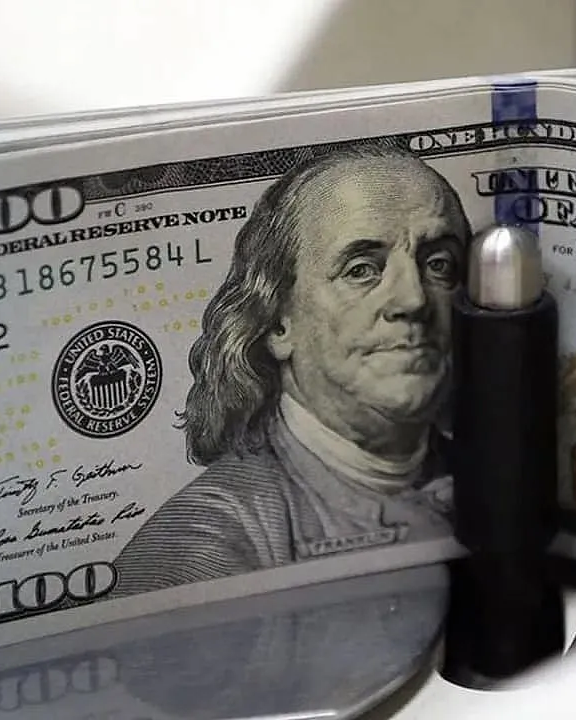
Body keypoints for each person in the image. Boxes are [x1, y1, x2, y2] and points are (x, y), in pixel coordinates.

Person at [110, 144, 472, 597]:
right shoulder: (201, 546)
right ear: (278, 321)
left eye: (439, 265)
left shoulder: (492, 478)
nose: (414, 299)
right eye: (361, 270)